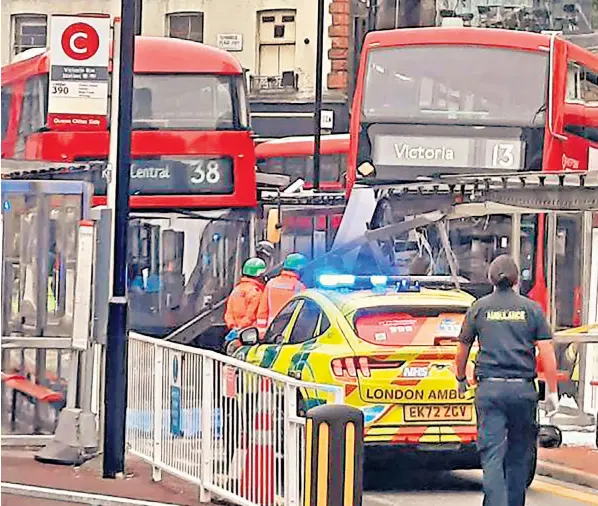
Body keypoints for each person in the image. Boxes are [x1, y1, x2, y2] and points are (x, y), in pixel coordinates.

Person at [455, 254, 559, 506]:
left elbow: (462, 349)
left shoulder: (479, 307)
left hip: (490, 389)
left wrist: (460, 378)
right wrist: (553, 391)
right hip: (522, 390)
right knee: (518, 454)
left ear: (491, 279)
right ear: (515, 280)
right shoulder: (531, 309)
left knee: (492, 453)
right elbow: (547, 352)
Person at [223, 257, 267, 350]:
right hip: (248, 337)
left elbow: (228, 314)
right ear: (259, 275)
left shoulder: (236, 289)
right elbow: (251, 316)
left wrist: (233, 328)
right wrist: (240, 329)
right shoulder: (256, 292)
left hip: (234, 335)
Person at [256, 252, 307, 330]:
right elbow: (303, 313)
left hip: (271, 330)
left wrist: (261, 331)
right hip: (290, 331)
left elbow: (263, 310)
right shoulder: (300, 287)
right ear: (300, 269)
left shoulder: (271, 283)